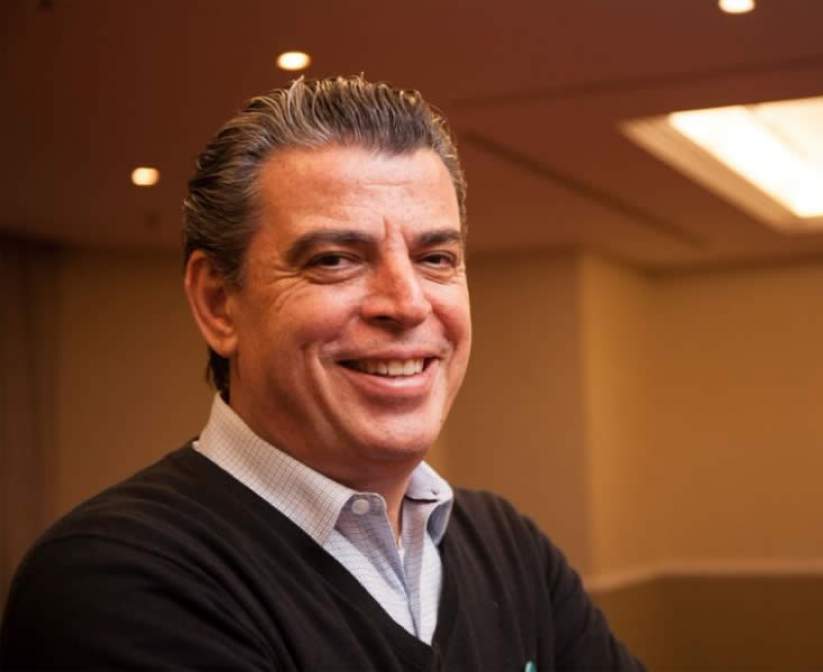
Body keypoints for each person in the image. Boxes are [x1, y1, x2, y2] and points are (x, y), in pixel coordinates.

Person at [0, 76, 643, 670]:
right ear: (219, 303)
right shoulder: (117, 579)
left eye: (436, 258)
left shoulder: (509, 550)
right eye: (335, 259)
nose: (407, 304)